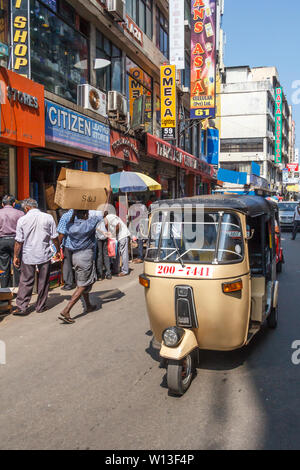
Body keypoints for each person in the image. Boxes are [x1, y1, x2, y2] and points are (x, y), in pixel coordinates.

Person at [13, 198, 60, 316]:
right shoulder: (48, 217)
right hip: (44, 254)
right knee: (43, 281)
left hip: (28, 255)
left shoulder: (22, 220)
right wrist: (58, 250)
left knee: (25, 281)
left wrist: (15, 256)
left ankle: (22, 307)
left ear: (27, 208)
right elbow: (54, 237)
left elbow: (19, 241)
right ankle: (41, 306)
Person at [58, 210, 102, 324]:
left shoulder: (70, 226)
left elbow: (70, 222)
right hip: (85, 256)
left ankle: (88, 305)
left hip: (75, 257)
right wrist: (107, 195)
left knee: (84, 281)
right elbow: (104, 212)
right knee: (82, 285)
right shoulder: (88, 224)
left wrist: (75, 210)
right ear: (85, 214)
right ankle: (66, 310)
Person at [57, 209, 103, 290]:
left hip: (68, 245)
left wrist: (57, 248)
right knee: (81, 267)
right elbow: (100, 216)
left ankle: (69, 284)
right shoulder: (88, 220)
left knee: (68, 264)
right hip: (83, 250)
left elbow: (61, 233)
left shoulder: (66, 216)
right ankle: (80, 282)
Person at [0, 195, 24, 287]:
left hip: (2, 241)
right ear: (14, 204)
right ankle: (19, 290)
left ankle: (5, 291)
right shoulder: (20, 213)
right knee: (17, 265)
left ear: (2, 204)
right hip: (16, 241)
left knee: (3, 267)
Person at [103, 211, 133, 277]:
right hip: (118, 236)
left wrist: (113, 233)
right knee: (116, 254)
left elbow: (118, 225)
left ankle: (125, 271)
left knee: (123, 254)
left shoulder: (110, 217)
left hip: (123, 235)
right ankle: (115, 269)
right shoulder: (106, 219)